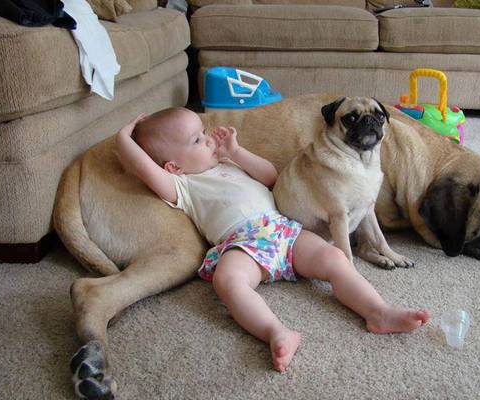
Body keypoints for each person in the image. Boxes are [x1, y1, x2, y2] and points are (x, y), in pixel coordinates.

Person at [116, 107, 431, 373]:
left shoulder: (228, 162)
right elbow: (145, 170)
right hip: (242, 244)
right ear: (173, 166)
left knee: (333, 258)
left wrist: (236, 152)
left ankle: (378, 311)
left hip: (283, 230)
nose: (209, 139)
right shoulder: (181, 185)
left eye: (204, 131)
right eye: (197, 140)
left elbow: (270, 177)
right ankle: (275, 332)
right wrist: (124, 138)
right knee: (228, 281)